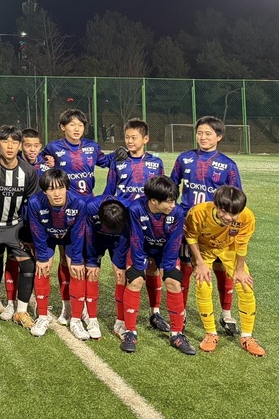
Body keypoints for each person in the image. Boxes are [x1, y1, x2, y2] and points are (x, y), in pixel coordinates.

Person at [39, 109, 113, 326]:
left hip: (88, 211)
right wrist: (45, 162)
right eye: (72, 124)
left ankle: (84, 308)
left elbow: (106, 162)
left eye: (80, 125)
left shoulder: (92, 147)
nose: (77, 128)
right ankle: (67, 306)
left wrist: (122, 153)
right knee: (66, 258)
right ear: (63, 127)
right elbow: (39, 161)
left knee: (86, 258)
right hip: (65, 211)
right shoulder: (53, 148)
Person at [170, 115, 242, 330]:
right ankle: (181, 312)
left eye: (208, 133)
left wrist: (231, 225)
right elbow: (172, 187)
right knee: (186, 266)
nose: (203, 137)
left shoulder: (228, 165)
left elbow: (236, 198)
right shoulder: (184, 159)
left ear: (219, 137)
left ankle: (226, 314)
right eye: (199, 133)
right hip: (188, 223)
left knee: (221, 266)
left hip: (217, 226)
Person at [184, 185, 265, 356]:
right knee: (203, 283)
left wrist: (240, 269)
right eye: (224, 211)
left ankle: (247, 337)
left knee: (245, 285)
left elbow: (242, 244)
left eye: (233, 214)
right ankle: (210, 333)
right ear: (216, 205)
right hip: (204, 249)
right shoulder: (198, 212)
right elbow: (191, 237)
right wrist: (199, 263)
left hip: (229, 248)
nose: (228, 217)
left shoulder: (247, 216)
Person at [119, 175, 193, 355]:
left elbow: (174, 242)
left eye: (174, 200)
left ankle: (177, 334)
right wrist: (139, 267)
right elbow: (135, 239)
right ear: (153, 201)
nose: (172, 205)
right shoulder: (136, 209)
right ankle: (130, 332)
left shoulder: (177, 213)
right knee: (135, 280)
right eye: (168, 201)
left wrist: (168, 269)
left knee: (173, 282)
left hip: (165, 250)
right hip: (142, 249)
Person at [105, 118, 166, 334]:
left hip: (149, 225)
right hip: (124, 225)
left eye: (134, 137)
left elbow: (161, 193)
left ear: (145, 139)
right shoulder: (118, 162)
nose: (129, 141)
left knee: (153, 267)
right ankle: (120, 320)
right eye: (127, 137)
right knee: (122, 272)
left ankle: (155, 312)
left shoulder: (156, 163)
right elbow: (109, 192)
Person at [0, 125, 38, 329]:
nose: (10, 146)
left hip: (15, 227)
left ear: (20, 145)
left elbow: (32, 205)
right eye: (5, 141)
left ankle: (20, 311)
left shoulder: (28, 171)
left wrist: (29, 235)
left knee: (28, 265)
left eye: (14, 142)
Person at [25, 167, 87, 338]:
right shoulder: (35, 203)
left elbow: (79, 233)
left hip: (70, 237)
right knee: (43, 267)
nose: (57, 193)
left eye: (60, 188)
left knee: (76, 269)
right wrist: (42, 257)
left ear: (67, 188)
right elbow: (37, 231)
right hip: (47, 236)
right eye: (51, 189)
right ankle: (42, 316)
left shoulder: (79, 203)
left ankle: (75, 319)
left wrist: (77, 259)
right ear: (45, 191)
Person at [79, 194, 129, 341]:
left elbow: (126, 236)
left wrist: (121, 263)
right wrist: (91, 260)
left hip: (119, 240)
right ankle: (91, 318)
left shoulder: (128, 209)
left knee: (121, 276)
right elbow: (88, 234)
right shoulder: (91, 207)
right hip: (96, 239)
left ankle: (120, 322)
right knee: (92, 273)